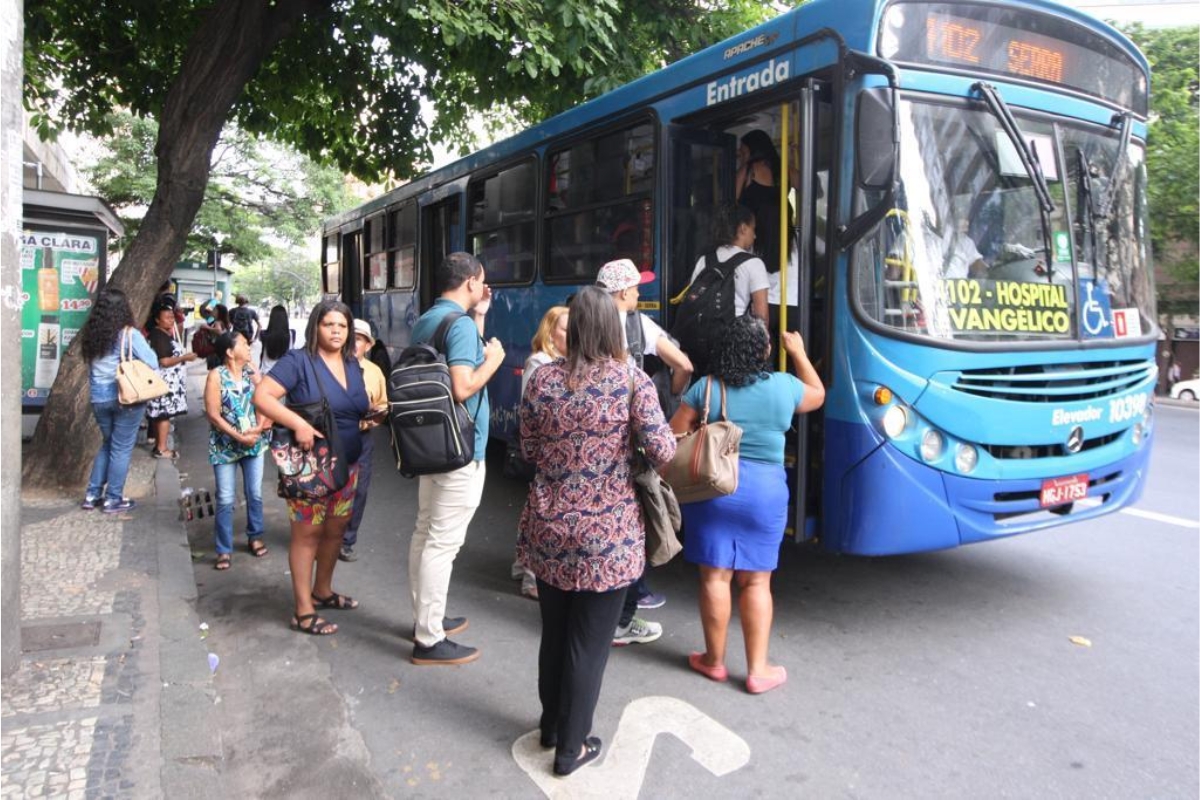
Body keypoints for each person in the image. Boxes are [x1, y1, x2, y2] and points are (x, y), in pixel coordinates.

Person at [516, 286, 676, 776]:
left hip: (547, 526)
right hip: (608, 537)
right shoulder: (631, 381)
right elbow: (664, 452)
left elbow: (527, 449)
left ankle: (549, 726)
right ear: (612, 327)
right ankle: (571, 747)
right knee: (589, 643)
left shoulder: (540, 379)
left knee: (555, 635)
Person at [669, 315, 825, 695]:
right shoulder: (785, 387)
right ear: (765, 350)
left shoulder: (706, 388)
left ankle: (714, 661)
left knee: (714, 577)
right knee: (757, 581)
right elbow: (818, 395)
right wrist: (799, 353)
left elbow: (673, 435)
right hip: (765, 493)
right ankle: (757, 670)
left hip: (714, 489)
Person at [407, 252, 505, 665]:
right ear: (470, 282)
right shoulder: (459, 325)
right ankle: (428, 639)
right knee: (442, 543)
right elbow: (463, 386)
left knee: (425, 531)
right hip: (460, 446)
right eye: (479, 283)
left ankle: (425, 618)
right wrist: (496, 362)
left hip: (433, 443)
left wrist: (479, 315)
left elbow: (456, 360)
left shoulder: (430, 319)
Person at [254, 300, 370, 636]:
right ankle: (303, 611)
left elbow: (352, 408)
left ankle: (323, 590)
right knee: (307, 536)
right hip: (311, 466)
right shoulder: (298, 362)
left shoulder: (352, 363)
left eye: (342, 326)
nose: (335, 331)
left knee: (335, 531)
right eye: (328, 324)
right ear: (315, 327)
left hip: (349, 465)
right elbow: (263, 396)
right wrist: (297, 424)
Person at [596, 258, 692, 639]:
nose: (639, 293)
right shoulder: (639, 326)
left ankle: (603, 604)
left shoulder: (578, 323)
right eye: (636, 288)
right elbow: (682, 364)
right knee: (635, 519)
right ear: (621, 293)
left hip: (591, 442)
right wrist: (671, 397)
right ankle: (624, 614)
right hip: (631, 442)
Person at [80, 288, 160, 514]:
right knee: (121, 448)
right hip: (126, 397)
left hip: (99, 397)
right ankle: (113, 498)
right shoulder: (129, 334)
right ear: (123, 309)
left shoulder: (92, 334)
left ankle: (92, 494)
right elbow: (152, 362)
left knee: (108, 444)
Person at [510, 305, 569, 600]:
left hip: (556, 449)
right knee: (542, 512)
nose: (571, 335)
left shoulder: (564, 360)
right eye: (565, 329)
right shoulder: (540, 362)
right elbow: (534, 408)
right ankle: (532, 576)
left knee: (535, 509)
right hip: (546, 449)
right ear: (550, 331)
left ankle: (524, 564)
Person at [204, 331, 270, 570]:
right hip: (225, 447)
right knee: (225, 498)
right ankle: (223, 548)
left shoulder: (251, 372)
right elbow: (213, 414)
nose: (248, 345)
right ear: (230, 352)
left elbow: (264, 401)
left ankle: (255, 535)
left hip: (254, 442)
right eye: (243, 343)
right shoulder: (216, 376)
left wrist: (258, 428)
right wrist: (239, 436)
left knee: (255, 493)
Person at [339, 319, 388, 563]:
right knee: (330, 488)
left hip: (361, 437)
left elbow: (383, 405)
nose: (352, 343)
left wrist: (375, 414)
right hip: (334, 435)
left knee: (359, 490)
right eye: (350, 337)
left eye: (358, 339)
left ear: (368, 345)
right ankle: (324, 537)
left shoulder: (374, 372)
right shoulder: (330, 367)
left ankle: (346, 541)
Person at [688, 203, 770, 320]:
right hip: (736, 335)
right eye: (753, 229)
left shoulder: (704, 260)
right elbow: (761, 315)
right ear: (743, 228)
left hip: (704, 334)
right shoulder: (754, 264)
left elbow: (693, 301)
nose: (755, 236)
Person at [145, 299, 199, 458]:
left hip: (167, 383)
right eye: (167, 317)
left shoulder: (163, 333)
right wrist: (185, 358)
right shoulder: (158, 336)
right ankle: (162, 449)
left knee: (161, 416)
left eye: (171, 317)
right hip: (164, 384)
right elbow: (164, 361)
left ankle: (159, 446)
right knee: (163, 416)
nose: (171, 320)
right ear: (157, 319)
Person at [260, 304, 293, 374]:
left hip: (267, 372)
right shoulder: (291, 334)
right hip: (283, 373)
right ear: (285, 318)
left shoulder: (263, 334)